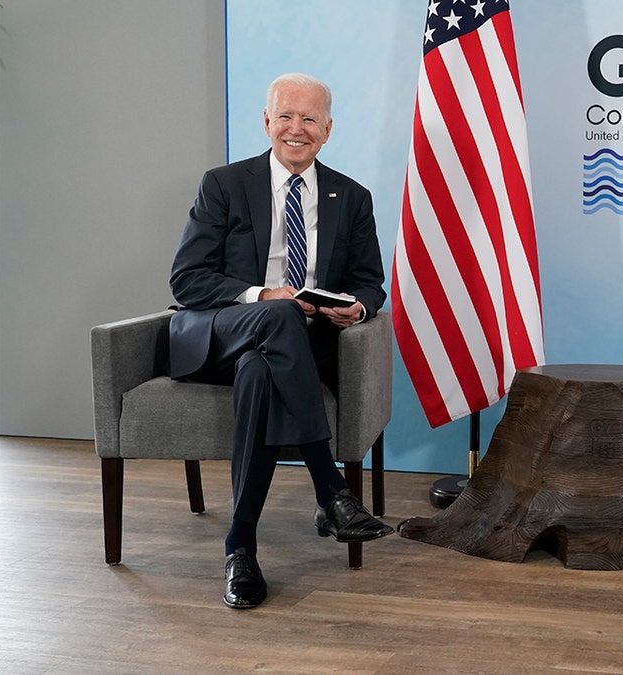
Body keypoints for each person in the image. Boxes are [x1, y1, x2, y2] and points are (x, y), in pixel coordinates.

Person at [169, 72, 394, 610]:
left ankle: (240, 547)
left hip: (289, 351)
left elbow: (370, 281)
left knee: (262, 370)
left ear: (328, 129)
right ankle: (331, 490)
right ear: (266, 122)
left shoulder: (352, 196)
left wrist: (356, 307)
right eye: (286, 117)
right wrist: (261, 294)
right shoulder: (223, 184)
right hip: (220, 332)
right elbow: (187, 279)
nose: (297, 129)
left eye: (310, 118)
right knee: (279, 316)